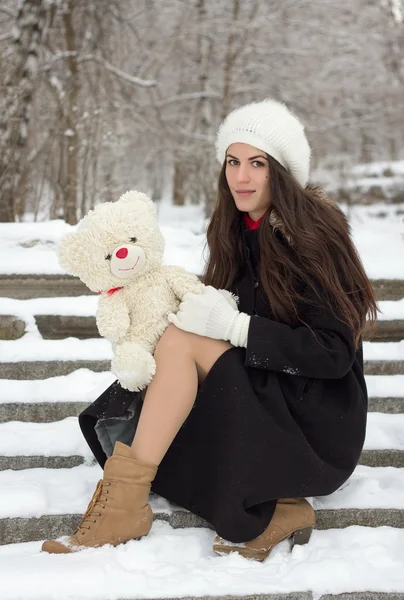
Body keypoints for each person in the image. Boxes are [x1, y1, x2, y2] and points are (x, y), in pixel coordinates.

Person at [41, 98, 378, 560]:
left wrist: (237, 327)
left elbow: (334, 353)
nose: (241, 177)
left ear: (280, 170)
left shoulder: (315, 234)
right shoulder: (236, 228)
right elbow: (219, 313)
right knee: (175, 331)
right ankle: (132, 501)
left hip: (316, 423)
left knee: (183, 342)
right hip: (271, 394)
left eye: (257, 164)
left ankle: (127, 502)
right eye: (233, 162)